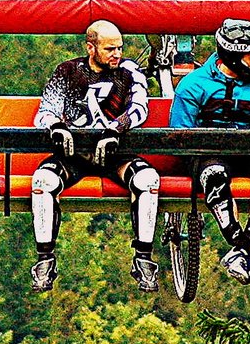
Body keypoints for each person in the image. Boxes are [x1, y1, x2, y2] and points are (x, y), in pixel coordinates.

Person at [30, 19, 163, 293]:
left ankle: (143, 259)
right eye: (109, 49)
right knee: (43, 181)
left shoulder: (129, 72)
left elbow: (140, 108)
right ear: (91, 48)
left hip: (117, 154)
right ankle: (44, 260)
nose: (117, 54)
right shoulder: (68, 71)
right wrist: (56, 127)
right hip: (74, 155)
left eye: (120, 48)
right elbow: (46, 110)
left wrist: (116, 128)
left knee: (148, 180)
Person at [170, 19, 250, 283]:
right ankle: (240, 244)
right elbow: (180, 136)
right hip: (208, 151)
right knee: (215, 174)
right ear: (234, 58)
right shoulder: (194, 85)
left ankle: (242, 247)